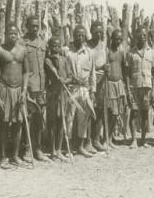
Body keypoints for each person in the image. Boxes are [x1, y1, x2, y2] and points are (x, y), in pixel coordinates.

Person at [0, 23, 29, 167]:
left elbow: (26, 72)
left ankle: (14, 155)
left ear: (18, 34)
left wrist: (25, 90)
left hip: (19, 90)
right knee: (4, 124)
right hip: (4, 89)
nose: (13, 35)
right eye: (10, 33)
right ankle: (2, 157)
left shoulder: (23, 51)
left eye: (15, 33)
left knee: (18, 124)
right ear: (5, 34)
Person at [65, 25, 96, 158]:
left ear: (85, 37)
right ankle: (68, 147)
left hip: (84, 90)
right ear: (73, 35)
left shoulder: (89, 53)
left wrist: (93, 90)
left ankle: (80, 146)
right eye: (77, 35)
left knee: (83, 118)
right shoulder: (67, 51)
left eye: (82, 35)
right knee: (69, 118)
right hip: (71, 89)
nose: (80, 37)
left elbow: (93, 73)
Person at [22, 15, 49, 162]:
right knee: (27, 119)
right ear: (26, 26)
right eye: (31, 26)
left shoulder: (43, 43)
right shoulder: (22, 43)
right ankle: (26, 149)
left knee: (39, 120)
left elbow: (46, 65)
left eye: (36, 26)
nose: (34, 28)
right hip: (28, 87)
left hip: (40, 87)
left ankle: (37, 149)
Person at [126, 26, 154, 149]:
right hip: (134, 87)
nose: (142, 37)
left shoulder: (152, 52)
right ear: (136, 37)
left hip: (147, 87)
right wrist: (128, 89)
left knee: (145, 114)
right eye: (139, 35)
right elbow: (127, 73)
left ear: (147, 36)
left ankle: (143, 140)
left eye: (144, 35)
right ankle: (134, 140)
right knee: (133, 114)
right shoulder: (131, 53)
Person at [44, 36, 71, 161]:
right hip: (53, 94)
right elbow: (49, 77)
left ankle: (59, 149)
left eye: (58, 46)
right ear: (49, 47)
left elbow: (70, 76)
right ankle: (53, 150)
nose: (56, 48)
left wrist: (65, 80)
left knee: (62, 121)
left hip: (63, 94)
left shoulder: (65, 60)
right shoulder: (48, 61)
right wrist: (55, 61)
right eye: (53, 46)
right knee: (52, 122)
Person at [102, 29, 128, 149]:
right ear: (111, 39)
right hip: (109, 84)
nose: (118, 41)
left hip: (118, 84)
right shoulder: (107, 52)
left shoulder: (122, 53)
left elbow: (124, 69)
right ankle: (105, 139)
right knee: (110, 113)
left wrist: (125, 86)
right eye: (116, 39)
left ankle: (110, 138)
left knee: (116, 113)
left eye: (120, 39)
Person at [87, 21, 108, 152]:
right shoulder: (87, 45)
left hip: (102, 80)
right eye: (96, 32)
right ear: (91, 31)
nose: (99, 34)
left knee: (100, 111)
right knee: (89, 111)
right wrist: (100, 67)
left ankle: (96, 139)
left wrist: (106, 68)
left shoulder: (104, 45)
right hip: (89, 80)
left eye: (101, 32)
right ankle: (87, 141)